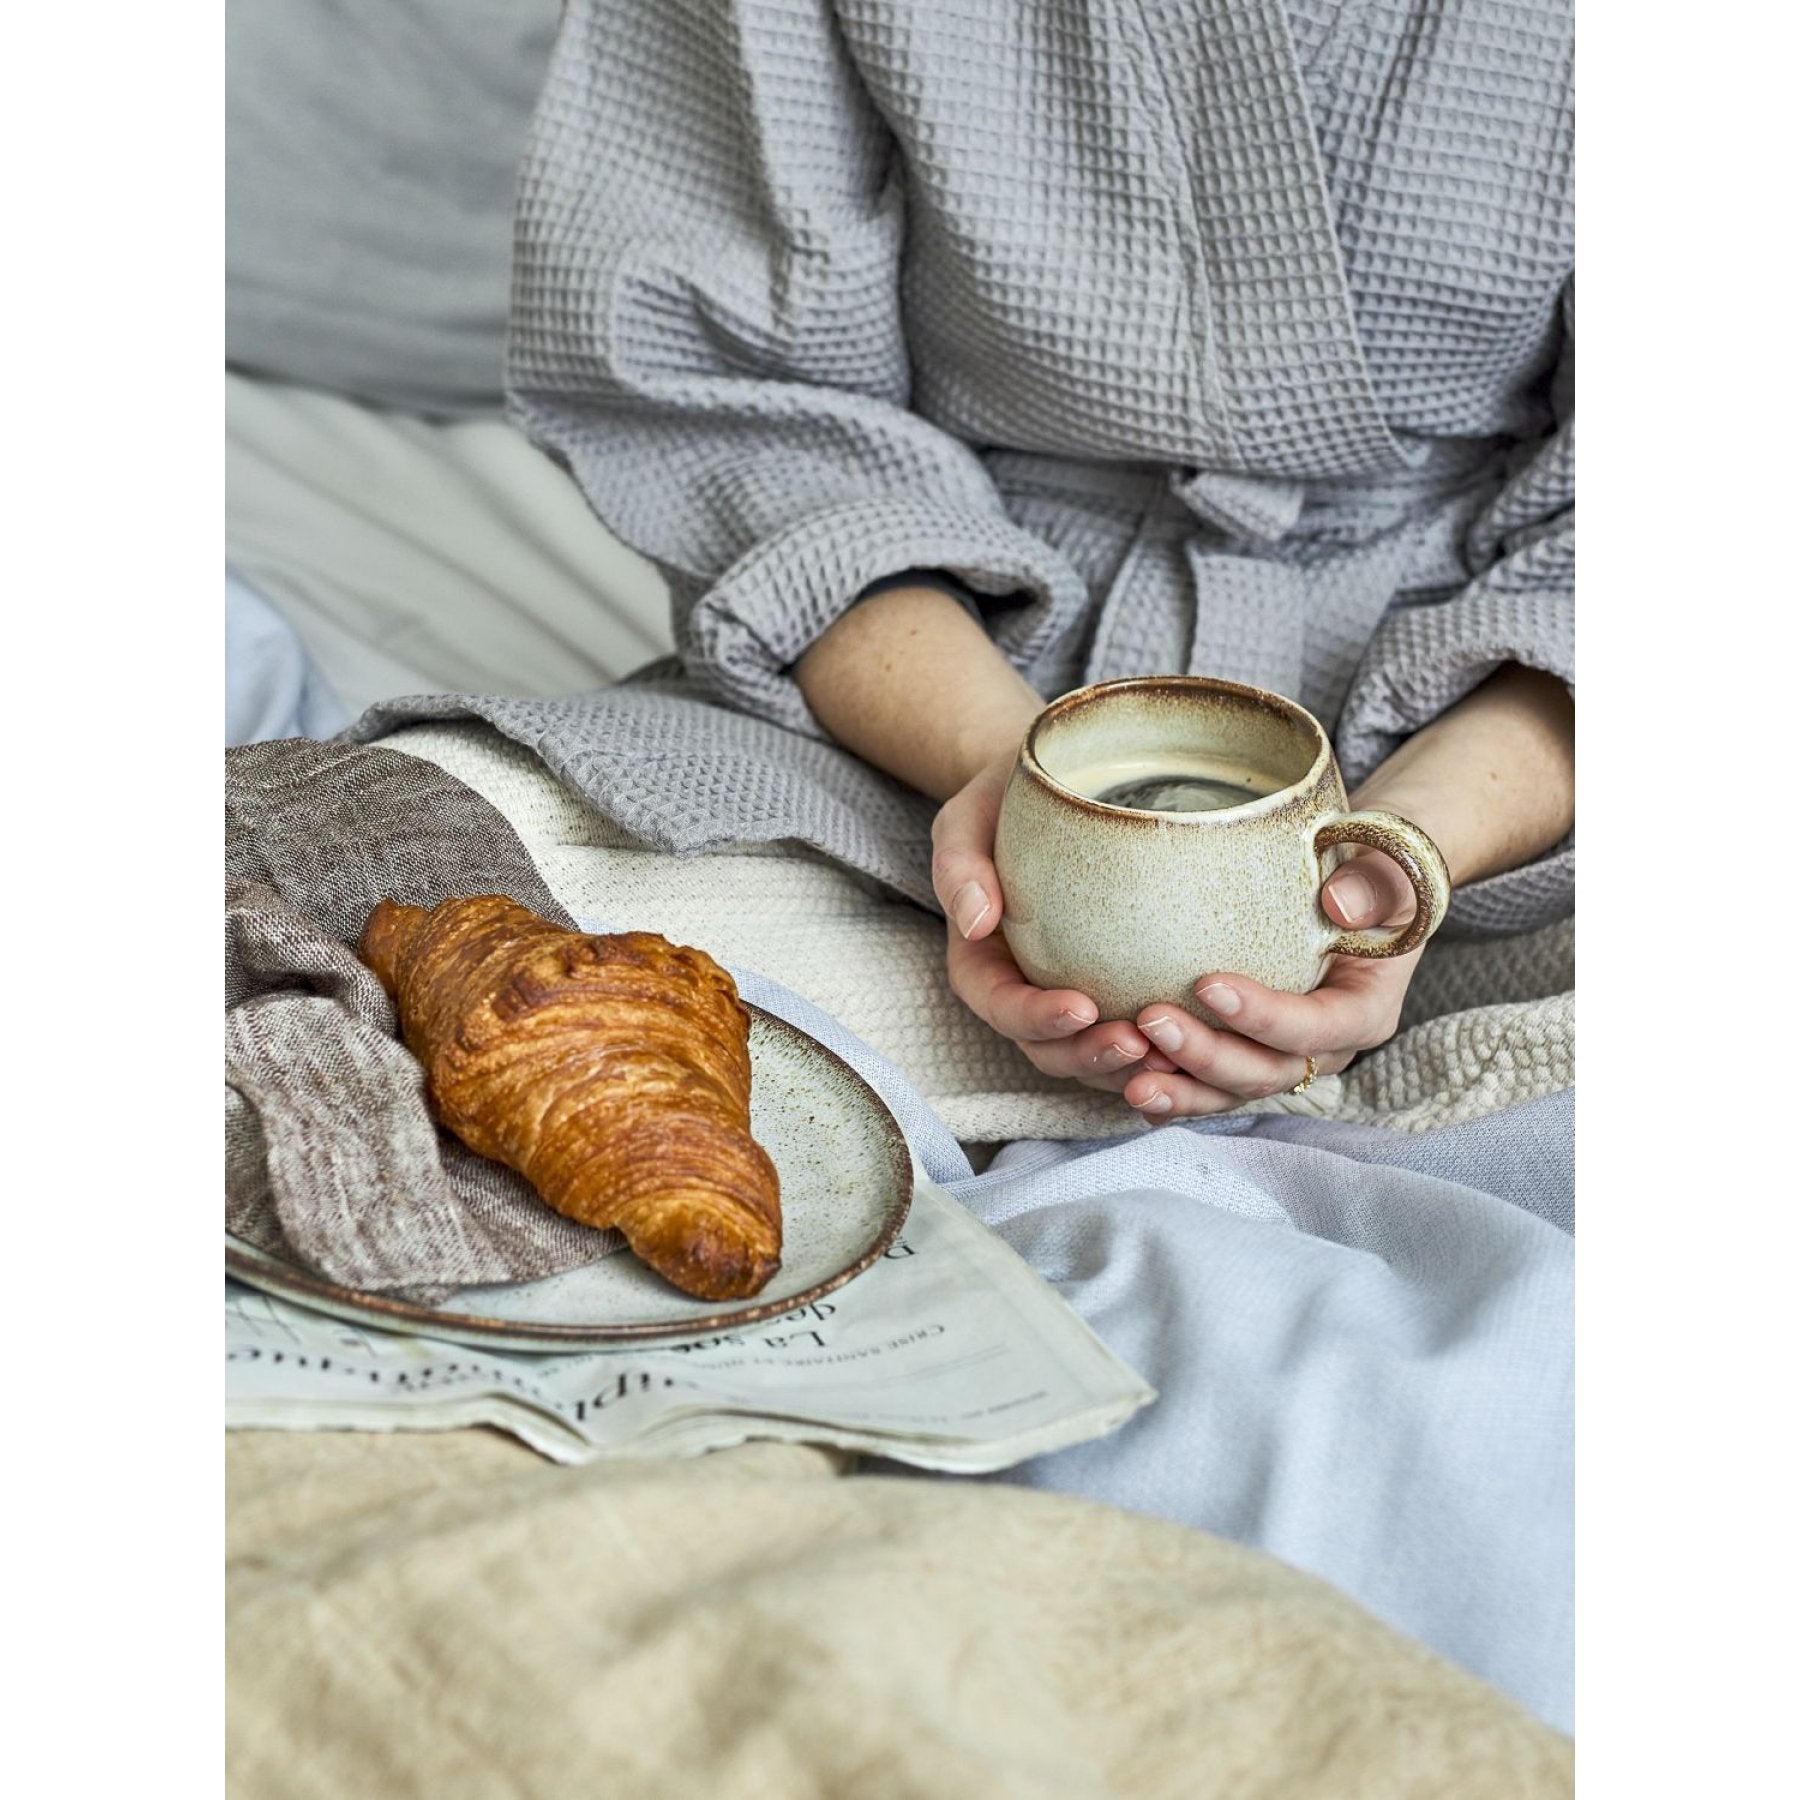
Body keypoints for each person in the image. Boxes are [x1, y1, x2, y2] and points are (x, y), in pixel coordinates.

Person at [508, 0, 1574, 1119]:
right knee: (480, 915)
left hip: (1499, 742)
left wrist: (1406, 854)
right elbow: (745, 411)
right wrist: (1014, 790)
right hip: (929, 679)